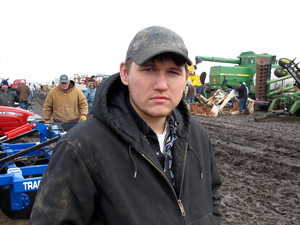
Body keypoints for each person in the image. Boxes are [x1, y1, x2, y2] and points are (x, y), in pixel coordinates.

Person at [29, 26, 222, 225]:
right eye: (149, 69)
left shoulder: (197, 136)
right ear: (125, 73)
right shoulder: (80, 148)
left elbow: (212, 194)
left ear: (185, 77)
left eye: (173, 72)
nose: (162, 84)